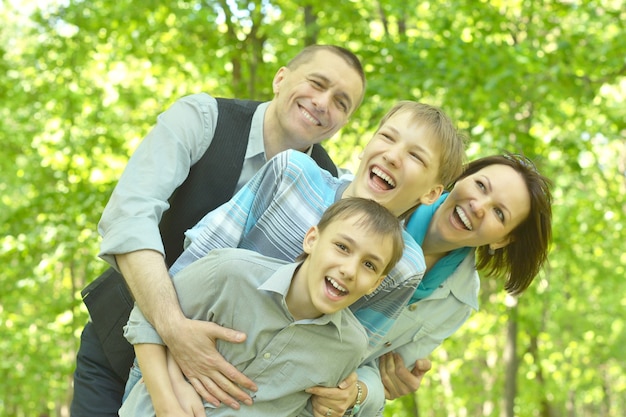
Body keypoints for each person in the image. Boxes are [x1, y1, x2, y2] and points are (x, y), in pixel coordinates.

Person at [71, 44, 367, 417]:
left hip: (210, 391)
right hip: (117, 343)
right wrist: (174, 330)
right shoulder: (203, 118)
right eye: (317, 83)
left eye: (342, 102)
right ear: (280, 79)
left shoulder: (331, 198)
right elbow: (129, 217)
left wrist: (357, 391)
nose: (324, 103)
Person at [121, 100, 466, 414]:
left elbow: (352, 358)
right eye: (387, 138)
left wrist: (356, 393)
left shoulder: (404, 266)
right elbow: (180, 284)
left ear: (433, 193)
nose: (393, 155)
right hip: (167, 377)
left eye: (416, 156)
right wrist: (169, 389)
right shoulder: (293, 175)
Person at [306, 153, 553, 416]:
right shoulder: (377, 202)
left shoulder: (458, 301)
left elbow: (379, 375)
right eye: (481, 186)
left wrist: (358, 393)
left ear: (503, 240)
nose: (479, 206)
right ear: (461, 177)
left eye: (499, 213)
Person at [119, 198, 405, 417]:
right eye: (342, 247)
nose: (349, 270)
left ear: (375, 284)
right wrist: (165, 401)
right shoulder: (229, 272)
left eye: (369, 265)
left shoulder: (348, 347)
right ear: (312, 240)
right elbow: (148, 314)